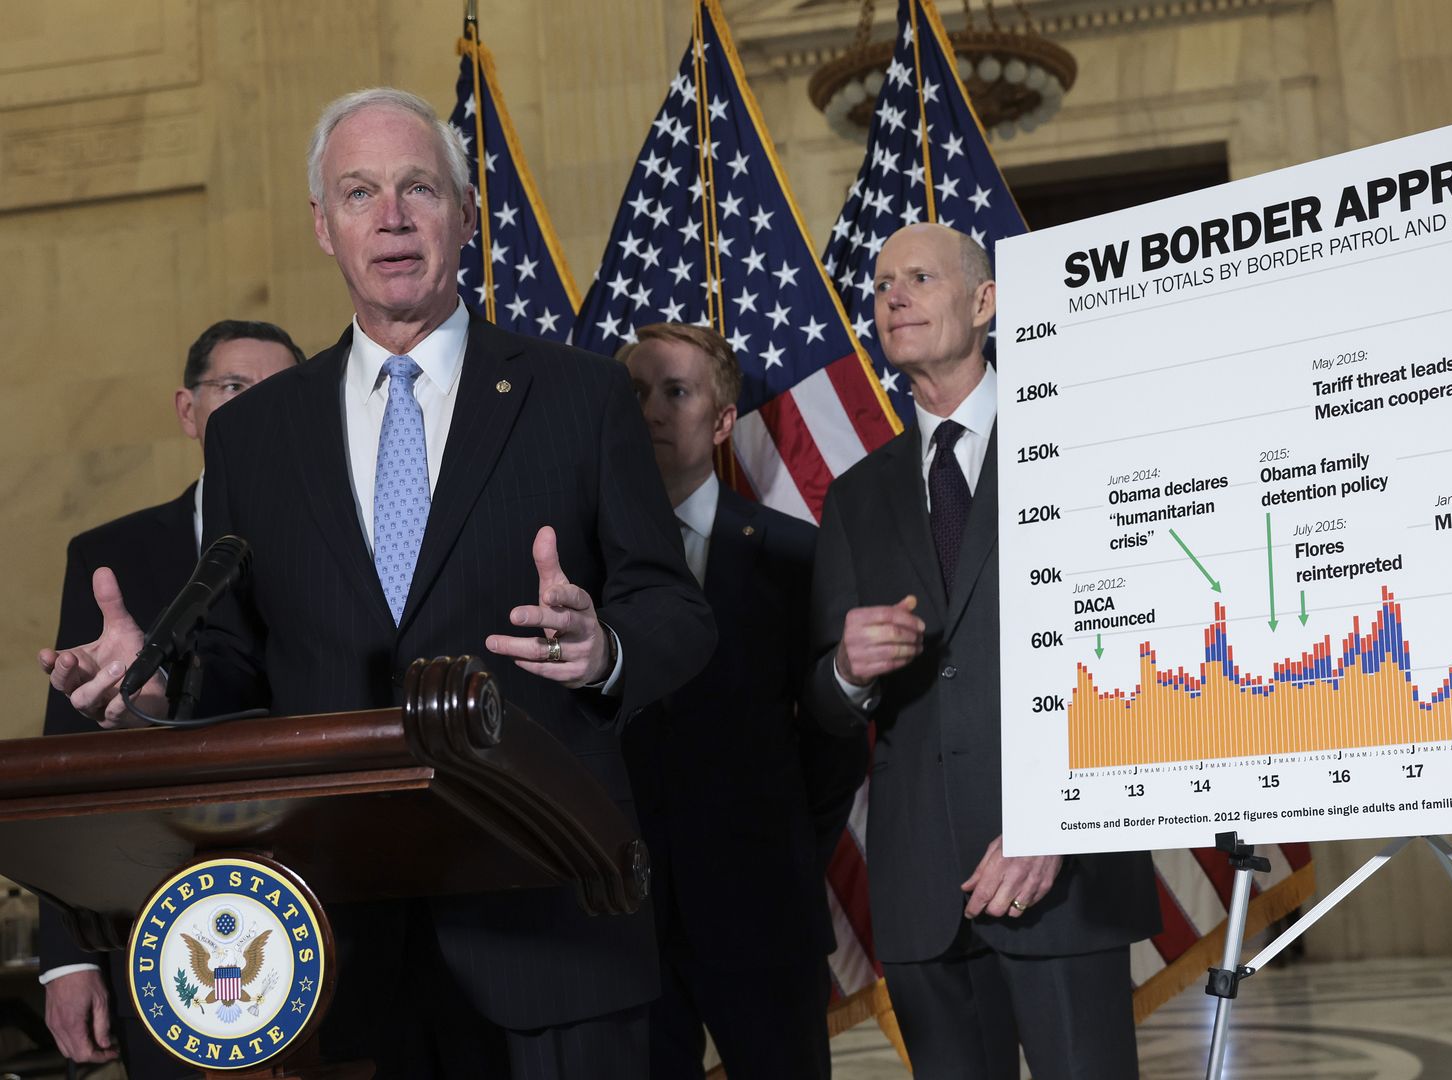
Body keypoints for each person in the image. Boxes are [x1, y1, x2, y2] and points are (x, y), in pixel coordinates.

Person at [41, 87, 713, 1078]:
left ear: (464, 213)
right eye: (358, 193)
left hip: (551, 934)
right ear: (323, 226)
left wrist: (605, 647)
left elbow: (676, 611)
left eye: (417, 188)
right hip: (339, 950)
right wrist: (155, 689)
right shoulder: (255, 437)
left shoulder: (577, 396)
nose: (391, 217)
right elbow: (232, 657)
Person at [807, 223, 1160, 1079]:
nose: (892, 297)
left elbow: (1138, 656)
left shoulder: (1083, 444)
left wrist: (1057, 818)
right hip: (926, 893)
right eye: (883, 283)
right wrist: (847, 672)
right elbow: (818, 705)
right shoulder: (855, 496)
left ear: (986, 300)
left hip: (1061, 876)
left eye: (919, 277)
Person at [38, 320, 303, 1076]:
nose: (255, 411)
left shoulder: (352, 542)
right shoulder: (111, 558)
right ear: (188, 412)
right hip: (165, 926)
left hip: (331, 912)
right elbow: (72, 760)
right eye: (233, 390)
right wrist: (68, 958)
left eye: (279, 393)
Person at [616, 324, 866, 1080]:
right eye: (635, 394)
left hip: (762, 912)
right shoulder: (577, 559)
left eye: (677, 393)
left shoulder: (793, 556)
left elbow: (833, 742)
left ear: (722, 421)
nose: (652, 411)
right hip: (623, 919)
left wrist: (779, 849)